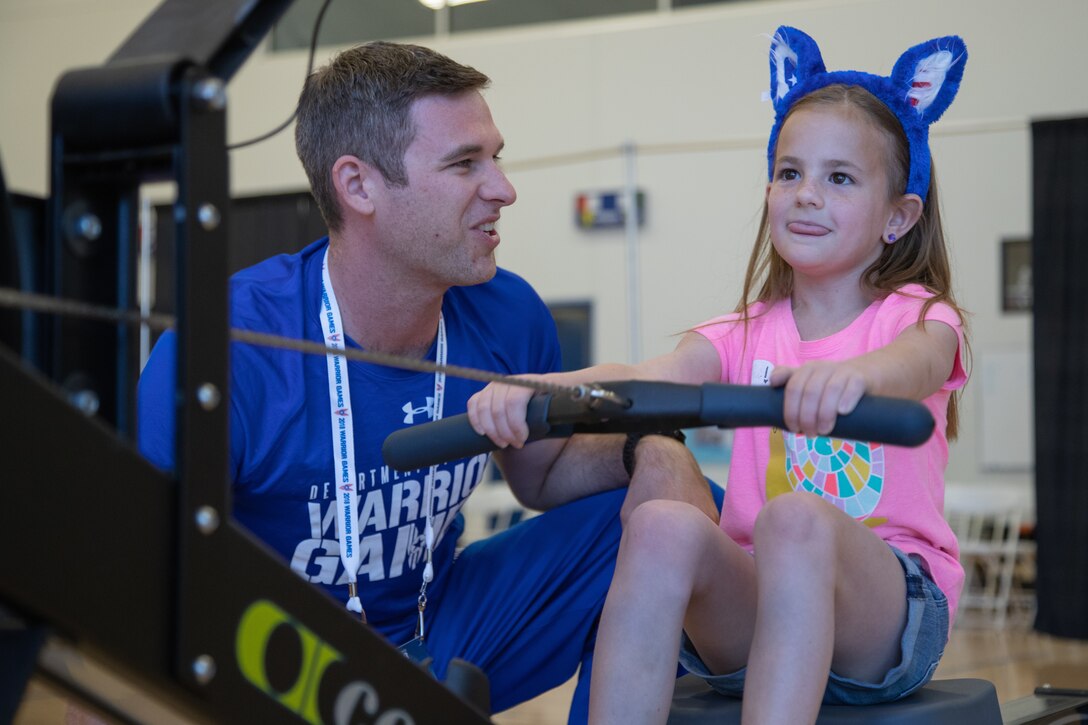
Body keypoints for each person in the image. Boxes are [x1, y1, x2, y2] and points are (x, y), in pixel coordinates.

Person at [136, 41, 717, 722]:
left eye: (495, 157)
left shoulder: (506, 310)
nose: (503, 188)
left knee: (663, 523)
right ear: (358, 186)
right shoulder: (224, 349)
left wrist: (650, 447)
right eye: (465, 163)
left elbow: (543, 472)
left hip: (434, 630)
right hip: (271, 657)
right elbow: (137, 590)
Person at [468, 26, 969, 724]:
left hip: (888, 614)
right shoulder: (743, 332)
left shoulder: (920, 319)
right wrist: (537, 390)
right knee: (661, 526)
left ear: (898, 217)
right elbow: (646, 375)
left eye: (840, 178)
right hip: (756, 606)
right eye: (789, 173)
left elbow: (914, 366)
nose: (806, 195)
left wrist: (853, 378)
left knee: (794, 518)